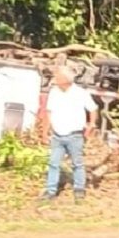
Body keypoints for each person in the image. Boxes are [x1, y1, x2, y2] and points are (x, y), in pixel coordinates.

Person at [39, 66, 99, 203]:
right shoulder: (54, 92)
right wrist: (44, 132)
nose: (54, 79)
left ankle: (79, 190)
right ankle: (50, 191)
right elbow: (49, 112)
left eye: (57, 77)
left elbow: (93, 109)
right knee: (53, 163)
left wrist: (91, 125)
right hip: (57, 135)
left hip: (75, 135)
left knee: (77, 164)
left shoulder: (80, 93)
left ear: (65, 80)